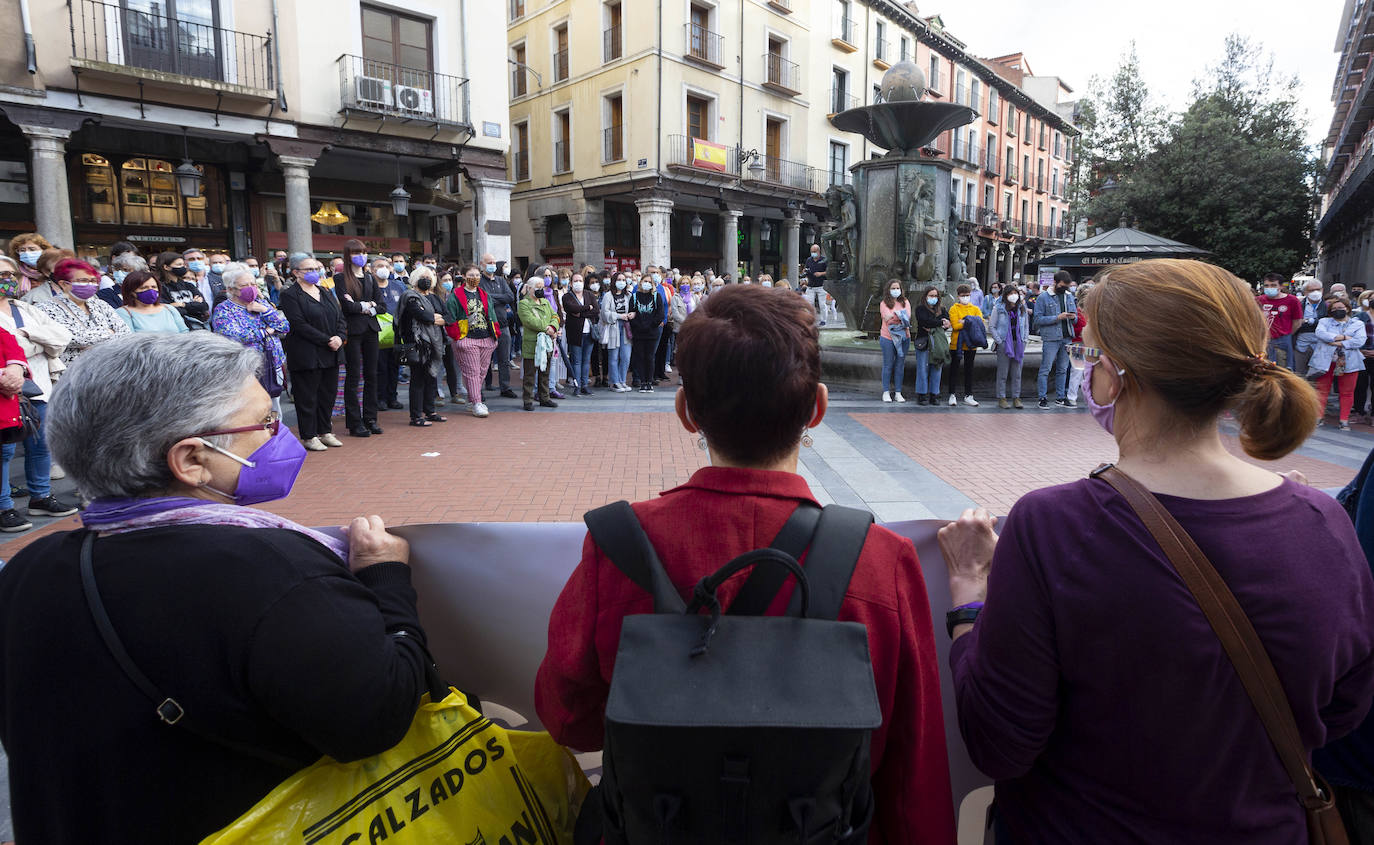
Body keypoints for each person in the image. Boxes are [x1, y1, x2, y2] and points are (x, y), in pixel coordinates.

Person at [937, 258, 1374, 844]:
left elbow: (999, 741)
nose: (1089, 371)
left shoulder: (1054, 525)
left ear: (1118, 376)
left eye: (1093, 356)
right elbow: (1343, 710)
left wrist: (969, 598)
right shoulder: (1323, 521)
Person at [536, 285, 957, 844]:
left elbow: (568, 718)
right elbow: (912, 773)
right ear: (818, 408)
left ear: (687, 413)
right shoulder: (882, 561)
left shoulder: (617, 546)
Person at [0, 331, 429, 843]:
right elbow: (377, 719)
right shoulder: (273, 572)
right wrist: (385, 577)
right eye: (264, 423)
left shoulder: (32, 566)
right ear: (191, 460)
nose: (280, 435)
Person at [0, 255, 76, 529]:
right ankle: (4, 507)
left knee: (41, 444)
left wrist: (27, 340)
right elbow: (18, 345)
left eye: (9, 274)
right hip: (6, 391)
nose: (6, 280)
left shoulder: (25, 308)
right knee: (5, 450)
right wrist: (37, 343)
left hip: (37, 386)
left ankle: (41, 497)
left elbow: (62, 337)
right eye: (1, 275)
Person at [278, 253, 345, 452]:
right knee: (307, 397)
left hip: (331, 352)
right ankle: (309, 435)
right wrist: (327, 340)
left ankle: (325, 431)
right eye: (309, 269)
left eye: (316, 269)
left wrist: (339, 336)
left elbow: (339, 317)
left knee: (328, 394)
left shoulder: (324, 290)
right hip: (306, 353)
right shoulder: (290, 295)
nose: (314, 272)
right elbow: (299, 324)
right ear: (296, 272)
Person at [213, 263, 291, 416]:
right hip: (245, 368)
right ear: (231, 289)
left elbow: (284, 326)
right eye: (244, 285)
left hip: (272, 363)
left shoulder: (261, 303)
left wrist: (265, 310)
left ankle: (275, 431)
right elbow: (235, 336)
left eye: (253, 284)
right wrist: (266, 331)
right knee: (251, 410)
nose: (251, 288)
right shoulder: (224, 309)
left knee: (273, 407)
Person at [38, 259, 130, 365]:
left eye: (93, 281)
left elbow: (125, 333)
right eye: (83, 280)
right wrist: (110, 332)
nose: (90, 284)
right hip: (74, 369)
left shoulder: (100, 304)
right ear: (64, 284)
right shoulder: (46, 308)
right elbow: (71, 337)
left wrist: (90, 342)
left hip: (108, 366)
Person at [334, 241, 383, 438]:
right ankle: (355, 422)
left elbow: (381, 306)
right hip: (352, 331)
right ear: (348, 255)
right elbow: (347, 307)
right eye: (356, 253)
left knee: (372, 374)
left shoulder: (370, 277)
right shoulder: (340, 278)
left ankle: (371, 418)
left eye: (363, 252)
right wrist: (367, 305)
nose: (361, 256)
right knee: (353, 376)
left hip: (371, 329)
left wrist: (363, 306)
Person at [447, 263, 500, 418]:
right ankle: (477, 402)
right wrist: (457, 337)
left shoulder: (484, 294)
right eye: (471, 275)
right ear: (463, 276)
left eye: (477, 275)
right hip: (467, 338)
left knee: (481, 372)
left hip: (486, 338)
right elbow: (450, 317)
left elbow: (491, 314)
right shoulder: (456, 295)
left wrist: (495, 336)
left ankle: (472, 400)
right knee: (472, 372)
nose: (474, 278)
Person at [1309, 295, 1367, 431]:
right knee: (1321, 390)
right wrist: (1345, 338)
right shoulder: (1324, 321)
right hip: (1325, 361)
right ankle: (1318, 418)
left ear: (1347, 308)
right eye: (1333, 309)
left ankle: (1344, 420)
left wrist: (1339, 342)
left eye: (1340, 307)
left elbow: (1359, 341)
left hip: (1349, 362)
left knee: (1347, 392)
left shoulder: (1358, 324)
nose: (1337, 310)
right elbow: (1320, 334)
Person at [398, 268, 448, 426]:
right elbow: (422, 315)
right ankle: (416, 416)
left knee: (431, 378)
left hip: (435, 344)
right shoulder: (410, 297)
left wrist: (435, 318)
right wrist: (434, 318)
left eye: (429, 277)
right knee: (418, 380)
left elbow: (448, 316)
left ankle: (430, 411)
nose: (426, 279)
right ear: (415, 278)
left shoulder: (435, 297)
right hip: (417, 343)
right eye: (422, 277)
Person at [1033, 270, 1076, 409]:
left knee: (1063, 369)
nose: (1064, 288)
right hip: (1051, 338)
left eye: (1067, 286)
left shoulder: (1069, 296)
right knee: (1046, 368)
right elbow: (1037, 319)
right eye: (1062, 286)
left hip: (1067, 336)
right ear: (1055, 282)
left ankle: (1060, 397)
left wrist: (1073, 317)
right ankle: (1042, 397)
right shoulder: (1043, 297)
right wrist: (1057, 318)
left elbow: (1075, 317)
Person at [478, 252, 518, 398]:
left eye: (494, 263)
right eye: (489, 263)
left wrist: (492, 298)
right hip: (486, 326)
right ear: (482, 264)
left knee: (504, 359)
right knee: (483, 360)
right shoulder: (479, 281)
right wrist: (499, 299)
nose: (492, 265)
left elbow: (510, 297)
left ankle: (505, 387)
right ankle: (480, 388)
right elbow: (482, 299)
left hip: (502, 325)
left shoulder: (501, 280)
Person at [518, 276, 560, 411]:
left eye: (542, 287)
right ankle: (528, 400)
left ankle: (544, 398)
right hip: (532, 344)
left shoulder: (545, 302)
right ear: (530, 288)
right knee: (530, 374)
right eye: (538, 287)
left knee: (545, 373)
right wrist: (547, 328)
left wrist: (553, 327)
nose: (541, 290)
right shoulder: (524, 304)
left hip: (546, 343)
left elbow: (555, 316)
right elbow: (529, 321)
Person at [373, 256, 408, 411]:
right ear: (372, 270)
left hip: (396, 333)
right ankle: (380, 398)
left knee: (394, 367)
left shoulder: (398, 286)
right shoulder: (369, 286)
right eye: (380, 266)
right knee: (380, 368)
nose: (384, 269)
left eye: (387, 266)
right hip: (378, 334)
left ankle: (392, 397)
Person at [988, 283, 1029, 409]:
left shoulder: (1022, 308)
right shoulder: (999, 308)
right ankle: (1002, 397)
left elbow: (1026, 326)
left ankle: (1016, 397)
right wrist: (999, 340)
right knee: (1003, 373)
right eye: (1011, 293)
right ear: (1005, 295)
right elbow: (992, 326)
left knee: (1017, 373)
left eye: (1015, 293)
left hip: (1019, 343)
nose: (1013, 296)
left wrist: (1025, 340)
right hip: (1005, 343)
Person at [945, 283, 984, 407]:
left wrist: (964, 321)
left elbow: (980, 323)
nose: (965, 297)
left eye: (967, 295)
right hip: (956, 344)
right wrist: (970, 321)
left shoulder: (975, 309)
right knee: (954, 370)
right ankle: (952, 394)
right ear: (958, 296)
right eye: (963, 295)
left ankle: (969, 395)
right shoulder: (954, 308)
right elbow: (955, 326)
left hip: (971, 344)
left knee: (969, 370)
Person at [116, 270, 188, 334]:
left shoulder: (169, 309)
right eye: (144, 288)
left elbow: (184, 332)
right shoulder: (123, 313)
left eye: (154, 287)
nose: (151, 291)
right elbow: (128, 339)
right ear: (131, 292)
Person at [913, 285, 950, 405]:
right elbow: (924, 321)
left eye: (935, 296)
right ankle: (922, 394)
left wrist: (937, 324)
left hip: (938, 344)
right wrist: (940, 323)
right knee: (922, 369)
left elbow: (947, 322)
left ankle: (934, 394)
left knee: (937, 368)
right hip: (923, 342)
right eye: (931, 295)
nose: (933, 298)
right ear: (925, 296)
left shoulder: (942, 309)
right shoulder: (920, 309)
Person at [562, 271, 598, 396]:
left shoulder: (589, 294)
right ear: (571, 283)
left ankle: (584, 385)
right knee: (576, 361)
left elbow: (596, 310)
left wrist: (580, 313)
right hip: (575, 333)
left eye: (580, 280)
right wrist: (588, 308)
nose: (578, 283)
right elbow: (571, 308)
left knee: (586, 360)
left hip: (589, 332)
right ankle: (577, 386)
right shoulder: (567, 297)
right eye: (575, 281)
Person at [630, 270, 666, 393]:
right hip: (638, 332)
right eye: (645, 281)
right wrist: (639, 326)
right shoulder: (635, 297)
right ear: (640, 283)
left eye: (649, 282)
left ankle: (649, 382)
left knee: (650, 357)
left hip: (652, 332)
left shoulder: (656, 296)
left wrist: (650, 326)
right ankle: (642, 382)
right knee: (640, 357)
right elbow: (632, 314)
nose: (647, 284)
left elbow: (660, 314)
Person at [1257, 272, 1302, 369]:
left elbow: (1297, 322)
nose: (1269, 288)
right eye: (1266, 285)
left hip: (1283, 340)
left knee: (1283, 369)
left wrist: (1286, 333)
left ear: (1281, 286)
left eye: (1273, 285)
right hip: (1263, 340)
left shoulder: (1292, 300)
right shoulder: (1258, 300)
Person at [156, 250, 210, 327]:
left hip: (200, 324)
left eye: (184, 264)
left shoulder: (189, 286)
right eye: (179, 264)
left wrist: (183, 304)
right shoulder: (160, 287)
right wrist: (194, 305)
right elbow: (168, 309)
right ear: (166, 267)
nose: (184, 267)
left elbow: (204, 306)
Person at [878, 280, 910, 403]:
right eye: (893, 288)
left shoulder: (905, 302)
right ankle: (886, 392)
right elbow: (887, 319)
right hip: (888, 337)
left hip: (904, 337)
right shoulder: (883, 303)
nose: (896, 290)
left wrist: (894, 316)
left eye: (898, 288)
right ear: (888, 290)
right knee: (888, 364)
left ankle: (898, 392)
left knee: (900, 365)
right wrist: (899, 316)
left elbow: (907, 318)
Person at [601, 272, 633, 392]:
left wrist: (632, 314)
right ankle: (614, 382)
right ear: (614, 281)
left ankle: (622, 380)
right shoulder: (608, 296)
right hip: (613, 327)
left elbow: (633, 309)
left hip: (626, 327)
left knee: (626, 356)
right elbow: (604, 313)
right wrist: (619, 316)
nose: (622, 282)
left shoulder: (628, 295)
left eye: (624, 280)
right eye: (619, 279)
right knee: (613, 356)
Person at [1294, 278, 1328, 377]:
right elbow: (1296, 323)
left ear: (1322, 290)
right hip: (1301, 345)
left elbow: (1327, 323)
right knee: (1298, 375)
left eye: (1318, 289)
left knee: (1318, 376)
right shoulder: (1298, 304)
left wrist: (1308, 321)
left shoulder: (1328, 306)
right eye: (1312, 290)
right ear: (1305, 292)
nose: (1315, 292)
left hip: (1320, 346)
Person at [802, 243, 829, 325]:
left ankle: (823, 320)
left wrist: (821, 273)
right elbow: (806, 268)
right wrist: (805, 271)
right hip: (811, 285)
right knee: (810, 303)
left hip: (821, 285)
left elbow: (829, 272)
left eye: (814, 251)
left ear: (818, 251)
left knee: (822, 304)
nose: (813, 253)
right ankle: (811, 319)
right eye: (811, 251)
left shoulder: (824, 260)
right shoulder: (809, 260)